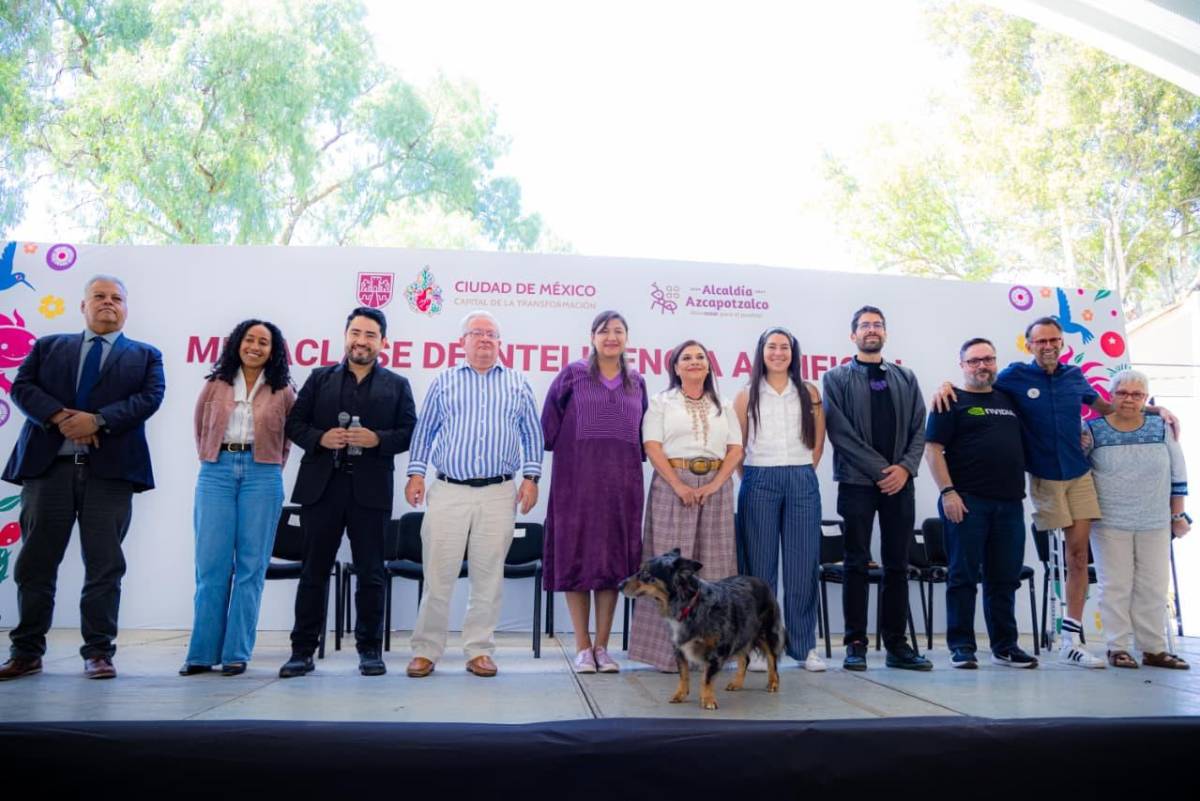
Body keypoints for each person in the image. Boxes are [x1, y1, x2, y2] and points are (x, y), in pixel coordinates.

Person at [933, 317, 1174, 668]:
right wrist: (944, 385)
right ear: (1029, 345)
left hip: (1066, 479)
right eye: (1040, 341)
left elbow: (1106, 408)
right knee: (1013, 567)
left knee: (1062, 563)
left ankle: (1058, 641)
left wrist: (1153, 408)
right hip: (1028, 484)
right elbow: (970, 392)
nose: (1047, 346)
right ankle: (970, 646)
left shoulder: (1072, 377)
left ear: (1062, 343)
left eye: (1053, 340)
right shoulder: (1012, 378)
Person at [0, 275, 164, 681]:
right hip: (48, 472)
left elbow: (149, 399)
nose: (109, 303)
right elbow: (22, 388)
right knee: (35, 565)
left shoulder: (146, 356)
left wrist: (99, 421)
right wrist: (61, 418)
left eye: (117, 298)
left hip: (111, 476)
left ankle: (99, 652)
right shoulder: (48, 346)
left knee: (105, 566)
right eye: (99, 296)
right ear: (83, 305)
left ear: (126, 307)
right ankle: (26, 652)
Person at [278, 307, 416, 678]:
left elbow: (408, 433)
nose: (361, 341)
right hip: (321, 489)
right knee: (313, 572)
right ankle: (302, 651)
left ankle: (369, 651)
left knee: (371, 573)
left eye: (370, 335)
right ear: (345, 336)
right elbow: (294, 424)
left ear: (383, 342)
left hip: (370, 492)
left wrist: (378, 439)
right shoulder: (319, 378)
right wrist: (320, 438)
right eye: (356, 333)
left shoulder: (397, 385)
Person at [404, 311, 543, 679]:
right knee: (438, 575)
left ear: (500, 343)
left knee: (488, 577)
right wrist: (416, 473)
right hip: (448, 490)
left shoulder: (518, 383)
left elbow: (533, 435)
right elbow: (424, 432)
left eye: (491, 334)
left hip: (499, 492)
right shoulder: (444, 381)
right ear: (462, 341)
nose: (484, 339)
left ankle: (479, 650)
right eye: (476, 333)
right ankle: (426, 651)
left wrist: (531, 478)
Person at [180, 319, 296, 677]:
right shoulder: (216, 384)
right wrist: (214, 459)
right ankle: (201, 654)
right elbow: (199, 427)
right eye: (250, 339)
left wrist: (269, 466)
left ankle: (236, 653)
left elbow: (288, 438)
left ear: (273, 351)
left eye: (264, 342)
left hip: (263, 476)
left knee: (251, 567)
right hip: (216, 472)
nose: (255, 347)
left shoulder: (283, 389)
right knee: (211, 566)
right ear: (237, 344)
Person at [822, 305, 930, 671]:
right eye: (865, 325)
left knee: (897, 564)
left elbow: (919, 427)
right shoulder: (836, 378)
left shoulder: (906, 377)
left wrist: (905, 468)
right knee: (856, 562)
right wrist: (883, 470)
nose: (872, 330)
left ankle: (897, 645)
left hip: (901, 483)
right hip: (856, 482)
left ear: (885, 333)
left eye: (878, 325)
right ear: (853, 335)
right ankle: (856, 644)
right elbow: (839, 432)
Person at [541, 311, 647, 674]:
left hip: (621, 488)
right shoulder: (572, 375)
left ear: (627, 338)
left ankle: (603, 647)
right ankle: (582, 648)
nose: (611, 337)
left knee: (612, 566)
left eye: (618, 331)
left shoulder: (637, 382)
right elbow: (548, 428)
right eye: (604, 331)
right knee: (576, 561)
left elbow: (643, 436)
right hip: (576, 485)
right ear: (592, 337)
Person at [627, 340, 743, 672]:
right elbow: (652, 446)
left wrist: (714, 485)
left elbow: (735, 449)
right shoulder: (662, 402)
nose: (694, 362)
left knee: (716, 570)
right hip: (672, 485)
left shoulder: (723, 404)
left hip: (716, 487)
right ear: (676, 368)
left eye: (700, 357)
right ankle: (666, 655)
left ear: (709, 365)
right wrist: (678, 484)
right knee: (669, 572)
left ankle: (712, 652)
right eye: (686, 358)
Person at [924, 338, 1038, 669]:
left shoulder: (1009, 398)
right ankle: (962, 646)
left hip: (1010, 504)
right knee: (963, 576)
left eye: (988, 359)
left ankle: (1005, 646)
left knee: (1004, 578)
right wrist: (948, 492)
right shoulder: (950, 400)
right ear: (962, 365)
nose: (982, 366)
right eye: (974, 361)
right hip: (966, 502)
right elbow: (933, 450)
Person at [733, 327, 827, 672]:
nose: (778, 353)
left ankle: (804, 648)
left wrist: (802, 471)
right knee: (760, 571)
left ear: (793, 353)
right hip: (759, 478)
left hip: (801, 478)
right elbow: (738, 446)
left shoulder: (809, 391)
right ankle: (761, 648)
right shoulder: (746, 394)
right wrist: (753, 477)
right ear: (761, 352)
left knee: (803, 567)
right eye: (771, 347)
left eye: (784, 347)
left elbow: (818, 441)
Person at [1085, 369, 1190, 670]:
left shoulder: (1161, 427)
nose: (1129, 399)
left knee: (1153, 586)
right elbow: (1081, 473)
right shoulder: (1092, 430)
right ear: (1111, 395)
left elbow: (1178, 472)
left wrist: (1178, 515)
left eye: (1136, 394)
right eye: (1122, 393)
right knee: (1115, 586)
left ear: (1145, 398)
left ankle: (1153, 649)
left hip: (1155, 521)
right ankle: (1117, 647)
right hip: (1109, 522)